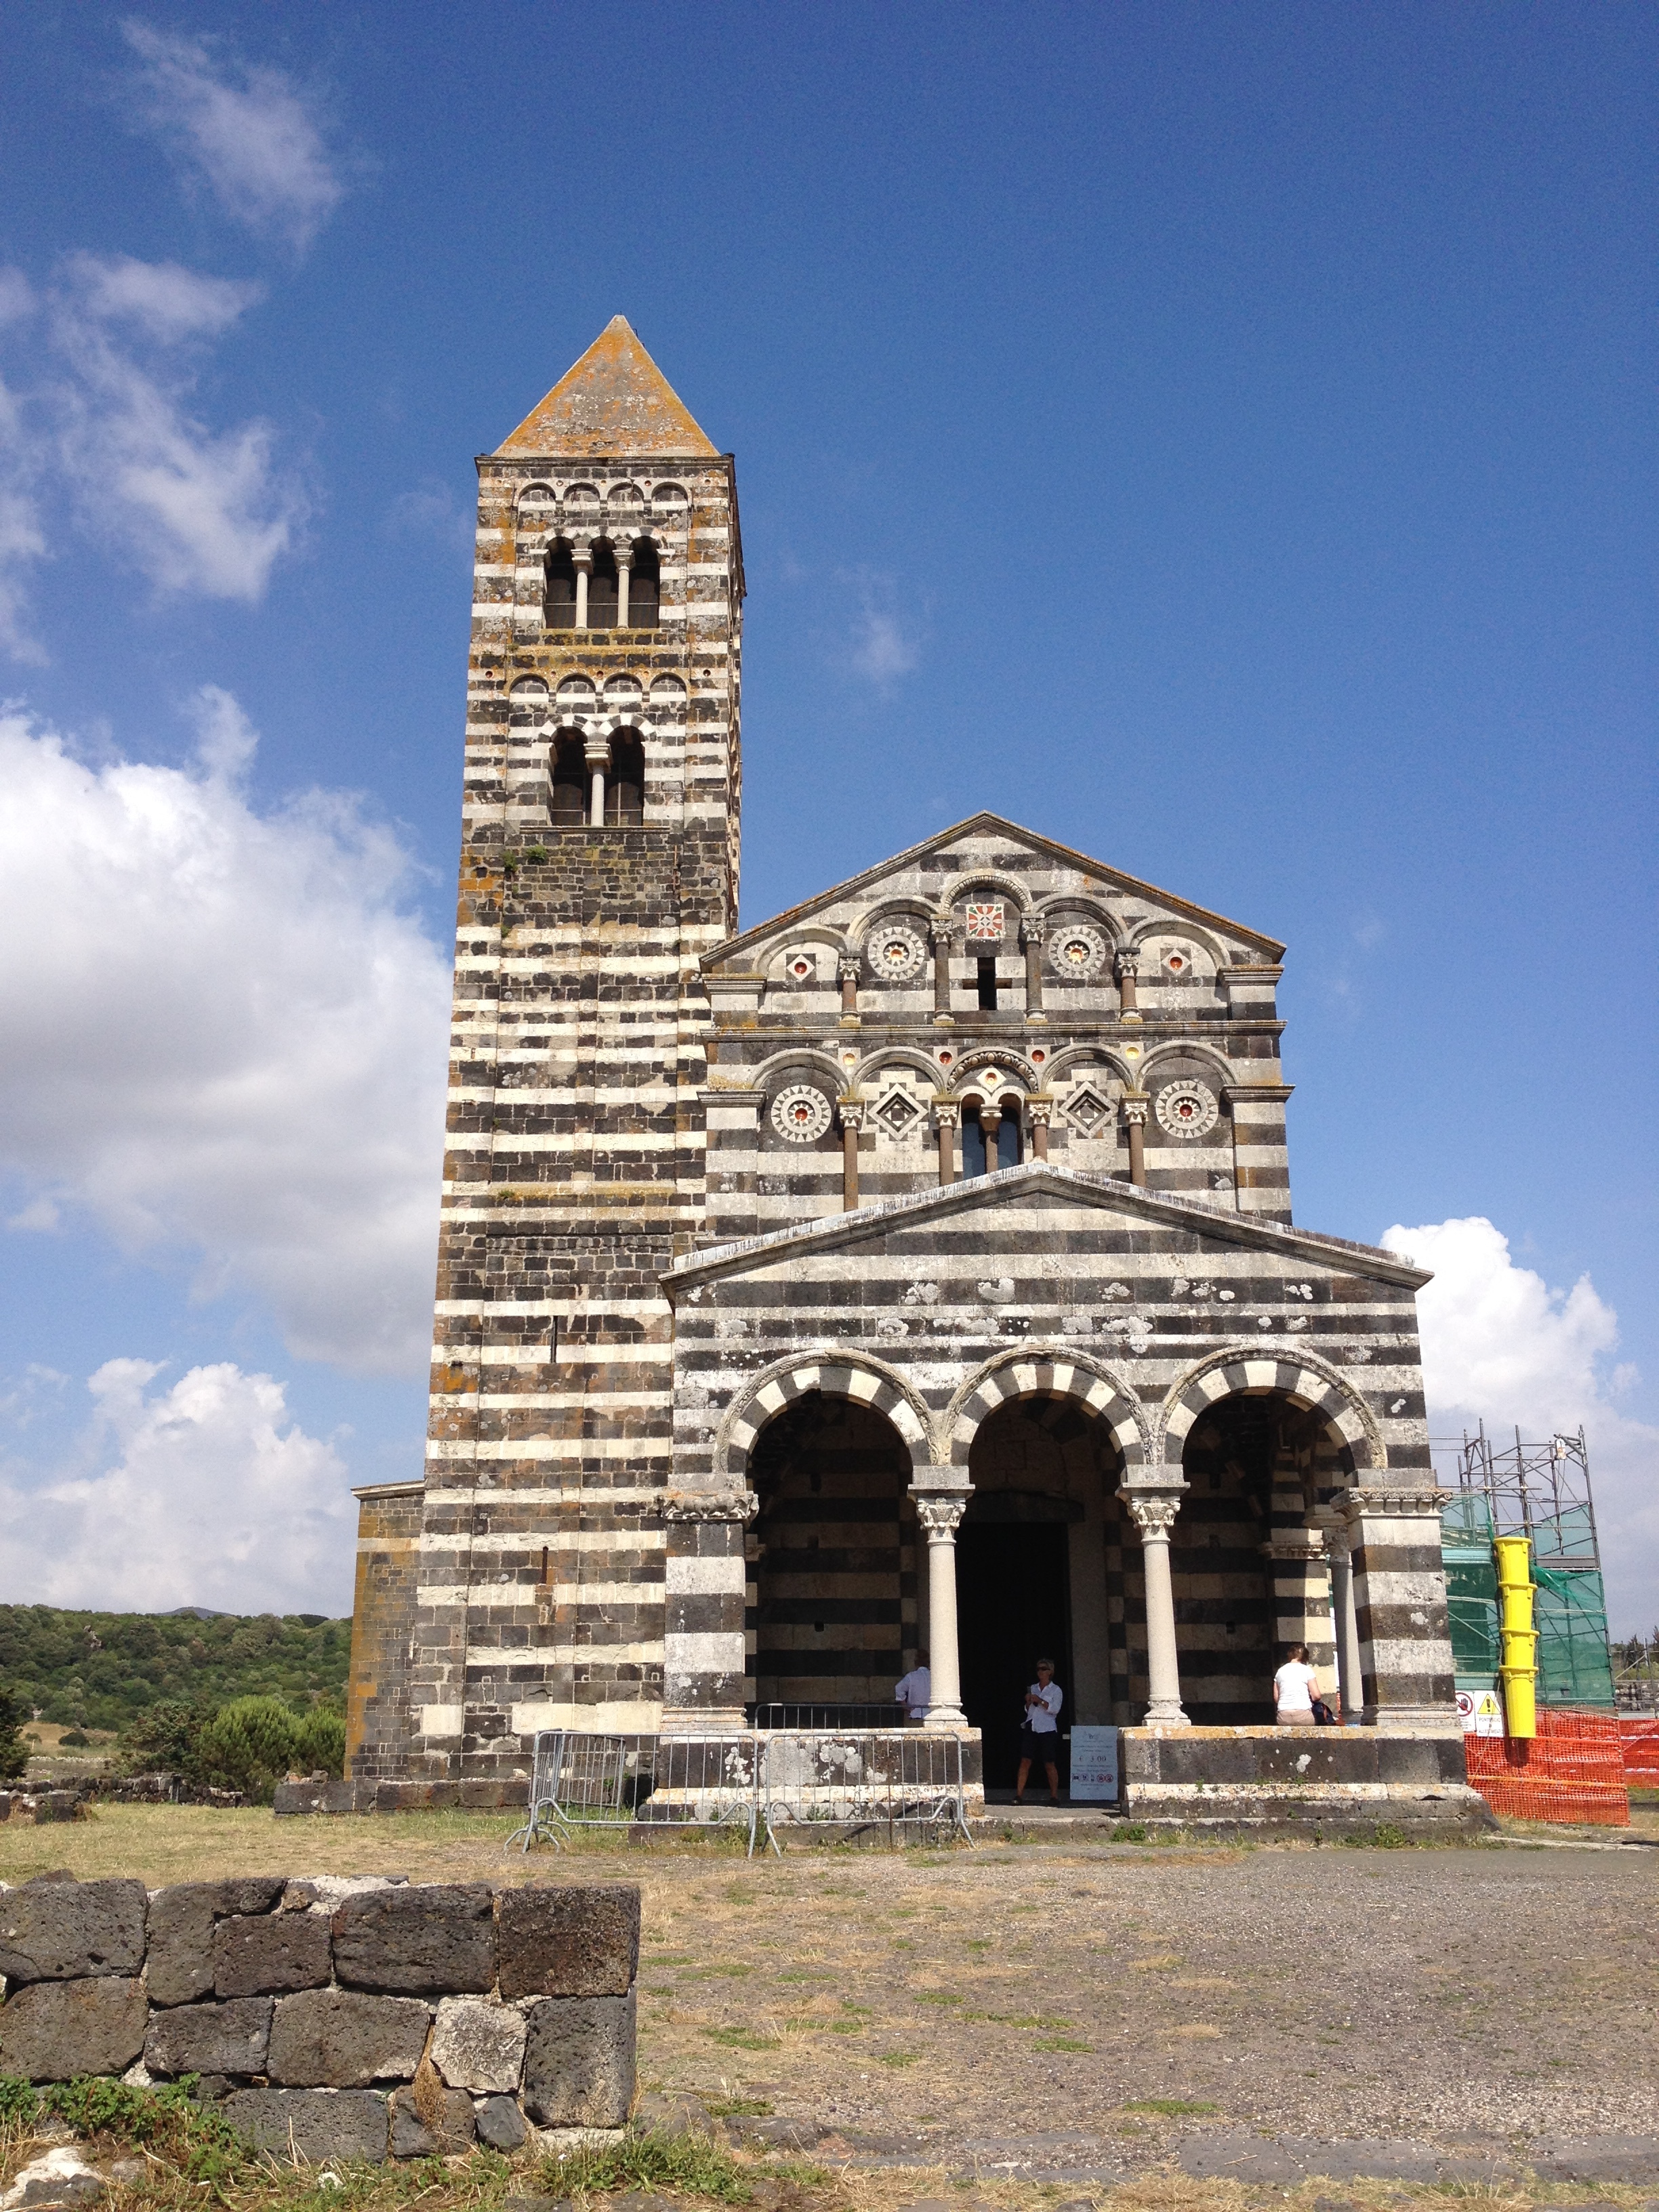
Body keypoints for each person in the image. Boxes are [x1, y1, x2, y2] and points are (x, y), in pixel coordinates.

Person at [1015, 1658, 1063, 1804]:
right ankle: (1019, 1795)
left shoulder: (1056, 1690)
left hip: (1047, 1729)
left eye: (1043, 1669)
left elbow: (1055, 1710)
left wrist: (1040, 1701)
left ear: (1050, 1671)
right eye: (1038, 1669)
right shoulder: (1033, 1687)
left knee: (1049, 1763)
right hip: (1032, 1726)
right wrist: (1029, 1702)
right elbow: (1028, 1711)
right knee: (1025, 1761)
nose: (1040, 1672)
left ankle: (1054, 1796)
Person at [1273, 1643, 1319, 1725]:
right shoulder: (1307, 1670)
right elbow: (1316, 1695)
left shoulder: (1280, 1671)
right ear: (1305, 1657)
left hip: (1284, 1716)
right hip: (1303, 1714)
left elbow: (1277, 1698)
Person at [894, 1649, 931, 1722]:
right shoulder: (935, 1677)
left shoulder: (911, 1676)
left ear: (915, 1663)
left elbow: (899, 1688)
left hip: (915, 1714)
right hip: (932, 1714)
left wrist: (905, 1706)